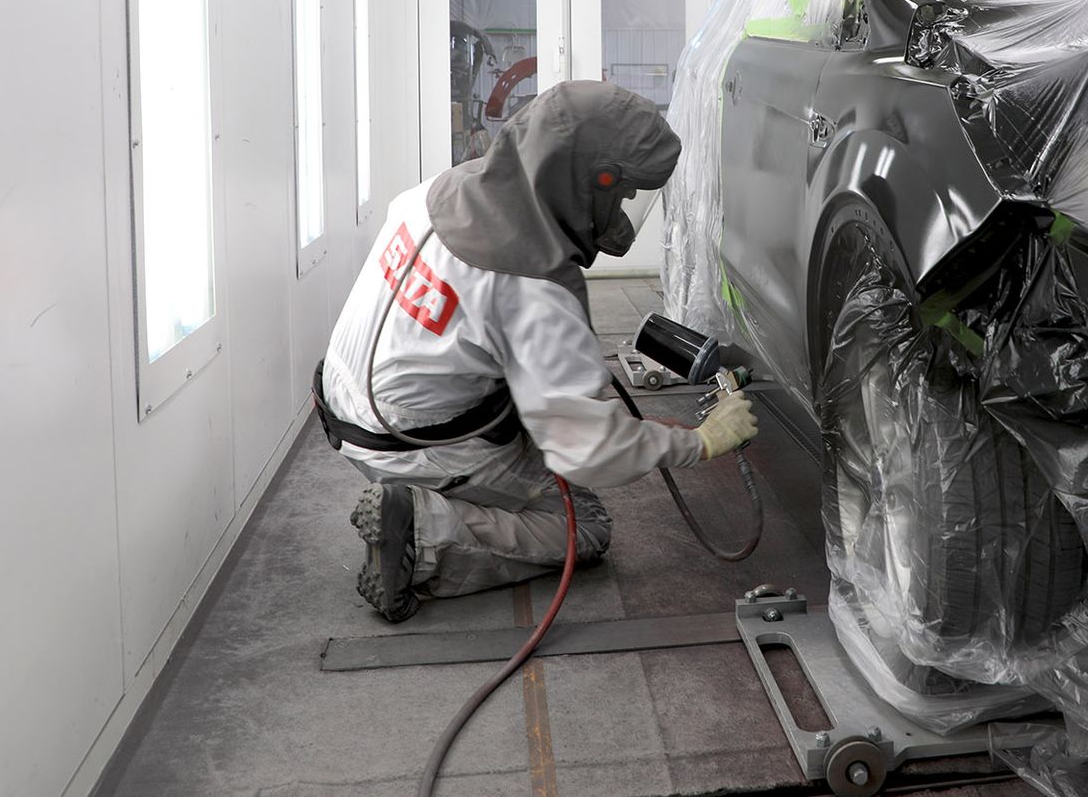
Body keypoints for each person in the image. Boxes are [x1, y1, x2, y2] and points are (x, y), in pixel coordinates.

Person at [314, 80, 758, 622]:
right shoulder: (534, 284)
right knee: (584, 527)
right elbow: (589, 452)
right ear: (587, 180)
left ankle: (425, 503)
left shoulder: (439, 189)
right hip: (411, 444)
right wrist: (703, 441)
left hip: (348, 402)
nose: (621, 216)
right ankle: (426, 531)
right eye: (619, 195)